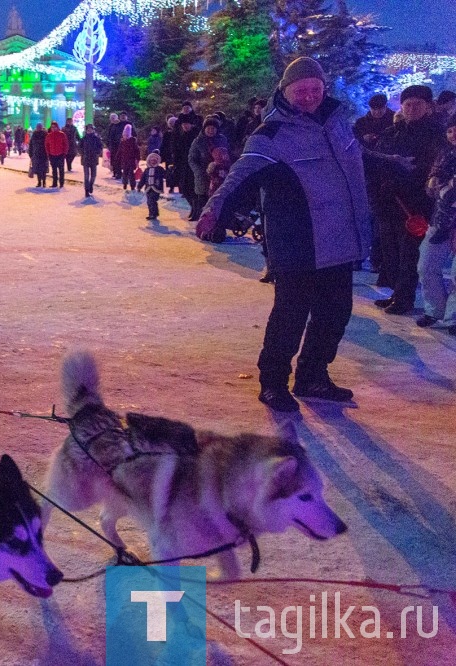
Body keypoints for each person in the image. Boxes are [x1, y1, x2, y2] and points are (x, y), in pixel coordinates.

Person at [196, 57, 371, 413]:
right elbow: (240, 174)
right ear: (285, 92)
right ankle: (273, 382)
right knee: (290, 316)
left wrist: (398, 167)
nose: (309, 96)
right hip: (297, 242)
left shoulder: (337, 124)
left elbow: (360, 161)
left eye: (315, 89)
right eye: (301, 90)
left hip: (338, 240)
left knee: (335, 313)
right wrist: (215, 209)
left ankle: (313, 375)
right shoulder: (271, 134)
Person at [369, 85, 447, 316]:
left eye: (418, 104)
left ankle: (404, 297)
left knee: (408, 254)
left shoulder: (435, 134)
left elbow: (429, 167)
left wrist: (403, 180)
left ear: (428, 107)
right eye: (408, 104)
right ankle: (396, 292)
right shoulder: (393, 131)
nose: (412, 109)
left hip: (414, 205)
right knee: (390, 252)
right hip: (388, 202)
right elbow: (379, 159)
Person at [416, 117, 456, 335]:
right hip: (440, 221)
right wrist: (434, 181)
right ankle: (434, 310)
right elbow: (433, 192)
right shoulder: (444, 157)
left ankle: (453, 318)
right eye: (450, 131)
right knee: (426, 265)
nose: (453, 135)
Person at [188, 116, 230, 220]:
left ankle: (216, 221)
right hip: (203, 176)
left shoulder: (222, 139)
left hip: (219, 176)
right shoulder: (198, 141)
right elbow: (192, 159)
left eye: (213, 128)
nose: (211, 130)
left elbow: (227, 155)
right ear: (204, 129)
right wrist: (199, 172)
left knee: (217, 198)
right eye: (209, 128)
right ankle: (203, 222)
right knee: (203, 199)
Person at [137, 151, 165, 220]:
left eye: (155, 160)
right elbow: (143, 179)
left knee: (152, 201)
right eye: (152, 160)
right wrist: (139, 186)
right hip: (148, 188)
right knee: (149, 201)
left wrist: (170, 173)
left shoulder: (160, 169)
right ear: (149, 161)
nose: (153, 162)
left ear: (157, 161)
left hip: (156, 188)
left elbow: (166, 175)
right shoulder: (147, 170)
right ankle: (152, 213)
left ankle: (153, 214)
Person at [79, 124, 103, 199]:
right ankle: (86, 190)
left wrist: (97, 152)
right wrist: (82, 152)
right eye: (88, 129)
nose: (89, 130)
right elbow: (79, 147)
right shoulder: (84, 138)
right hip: (85, 159)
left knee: (93, 175)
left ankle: (91, 185)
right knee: (86, 176)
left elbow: (100, 146)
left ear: (93, 129)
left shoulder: (96, 138)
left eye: (91, 129)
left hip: (93, 159)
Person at [45, 121, 68, 188]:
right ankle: (54, 183)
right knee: (54, 170)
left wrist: (64, 153)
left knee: (61, 170)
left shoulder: (62, 134)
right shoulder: (49, 136)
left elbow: (66, 144)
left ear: (57, 127)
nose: (53, 128)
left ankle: (61, 183)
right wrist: (48, 153)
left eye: (54, 127)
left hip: (60, 154)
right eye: (52, 127)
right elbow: (46, 145)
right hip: (52, 155)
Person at [119, 124, 140, 190]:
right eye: (124, 135)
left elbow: (137, 151)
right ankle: (125, 185)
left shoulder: (132, 141)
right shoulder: (122, 142)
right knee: (125, 173)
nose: (125, 136)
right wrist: (116, 160)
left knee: (131, 174)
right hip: (125, 160)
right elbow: (119, 151)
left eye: (127, 135)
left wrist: (137, 159)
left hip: (131, 160)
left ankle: (132, 186)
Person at [29, 123, 50, 188]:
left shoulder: (45, 134)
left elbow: (48, 143)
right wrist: (31, 153)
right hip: (36, 154)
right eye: (38, 127)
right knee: (38, 169)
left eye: (40, 127)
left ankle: (43, 182)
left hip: (43, 154)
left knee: (43, 169)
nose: (39, 128)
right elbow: (31, 144)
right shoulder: (34, 134)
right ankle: (39, 182)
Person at [106, 113, 124, 179]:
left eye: (113, 118)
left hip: (118, 145)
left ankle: (118, 173)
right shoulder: (111, 126)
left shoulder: (120, 125)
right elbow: (108, 135)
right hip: (112, 145)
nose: (112, 119)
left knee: (118, 159)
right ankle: (115, 172)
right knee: (113, 159)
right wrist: (108, 143)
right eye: (111, 118)